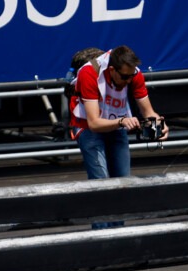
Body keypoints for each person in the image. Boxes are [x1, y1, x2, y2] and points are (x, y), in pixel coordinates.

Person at [70, 45, 167, 180]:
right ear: (112, 70)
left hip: (117, 123)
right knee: (101, 181)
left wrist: (159, 124)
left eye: (131, 76)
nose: (129, 81)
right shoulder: (89, 73)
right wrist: (121, 121)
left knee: (123, 179)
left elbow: (148, 112)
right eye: (125, 77)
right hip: (87, 125)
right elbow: (94, 124)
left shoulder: (134, 74)